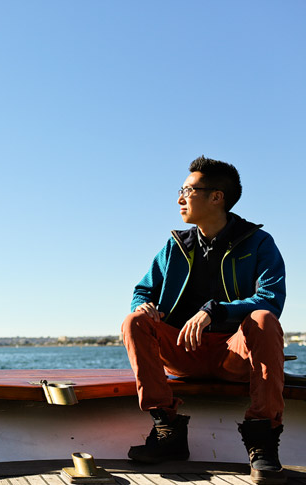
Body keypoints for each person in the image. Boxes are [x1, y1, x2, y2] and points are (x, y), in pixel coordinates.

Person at [121, 156, 287, 485]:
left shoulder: (258, 243)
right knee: (133, 322)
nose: (180, 198)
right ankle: (167, 431)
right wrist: (143, 307)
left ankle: (263, 441)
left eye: (188, 190)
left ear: (216, 197)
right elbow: (142, 290)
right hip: (185, 352)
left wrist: (216, 309)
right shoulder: (174, 247)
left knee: (264, 318)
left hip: (234, 356)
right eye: (180, 189)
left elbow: (271, 297)